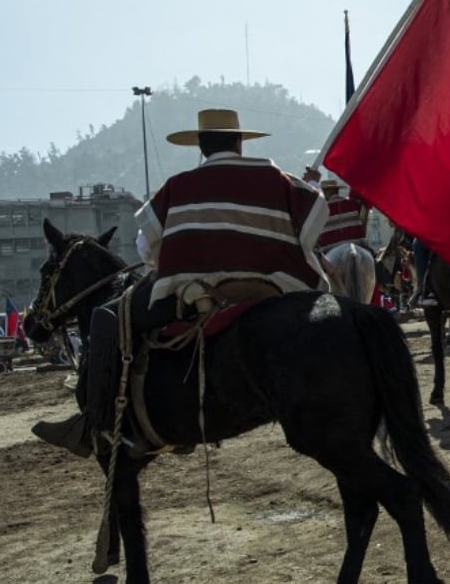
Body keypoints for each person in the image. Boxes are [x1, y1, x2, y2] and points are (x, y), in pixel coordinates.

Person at [34, 108, 330, 458]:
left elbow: (147, 248)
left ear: (201, 146)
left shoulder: (178, 186)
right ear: (239, 143)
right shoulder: (277, 177)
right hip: (274, 286)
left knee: (109, 318)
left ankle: (97, 426)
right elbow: (316, 219)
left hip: (196, 292)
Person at [316, 179, 371, 254]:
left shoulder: (322, 209)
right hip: (357, 245)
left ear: (329, 191)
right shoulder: (353, 203)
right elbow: (364, 216)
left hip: (330, 249)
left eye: (324, 191)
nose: (324, 194)